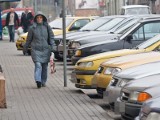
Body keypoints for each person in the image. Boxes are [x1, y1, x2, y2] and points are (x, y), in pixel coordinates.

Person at [23, 11, 56, 88]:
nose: (39, 19)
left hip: (45, 50)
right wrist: (25, 49)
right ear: (35, 19)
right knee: (38, 65)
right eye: (38, 17)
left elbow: (51, 38)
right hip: (35, 50)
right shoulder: (32, 28)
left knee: (44, 66)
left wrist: (53, 47)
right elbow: (28, 40)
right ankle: (38, 80)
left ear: (43, 18)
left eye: (40, 17)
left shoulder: (47, 27)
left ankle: (43, 81)